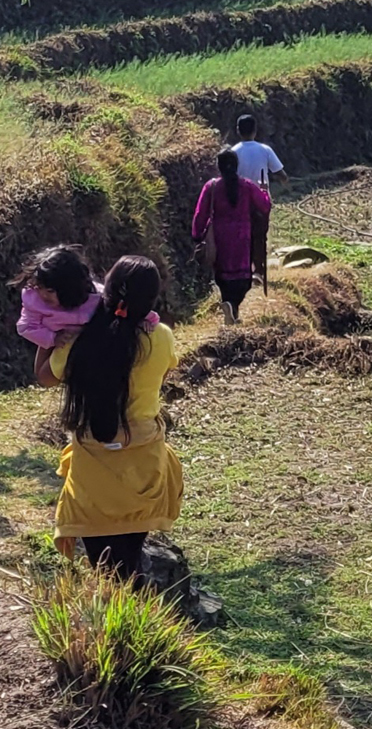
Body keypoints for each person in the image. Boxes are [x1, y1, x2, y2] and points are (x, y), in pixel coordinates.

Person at [35, 255, 182, 580]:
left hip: (93, 465)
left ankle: (117, 616)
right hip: (143, 464)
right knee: (128, 558)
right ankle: (136, 616)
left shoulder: (79, 340)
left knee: (103, 566)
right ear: (151, 299)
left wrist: (49, 328)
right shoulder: (162, 337)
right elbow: (170, 363)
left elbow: (45, 376)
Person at [15, 245, 159, 348]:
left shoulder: (97, 298)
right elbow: (26, 327)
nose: (43, 294)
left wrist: (146, 320)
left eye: (51, 291)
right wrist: (52, 338)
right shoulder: (33, 299)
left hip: (91, 345)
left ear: (70, 289)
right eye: (39, 287)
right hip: (60, 345)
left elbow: (124, 308)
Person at [192, 147, 272, 326]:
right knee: (244, 278)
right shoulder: (247, 186)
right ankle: (233, 307)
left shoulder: (211, 186)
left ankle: (230, 307)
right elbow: (265, 206)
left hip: (220, 237)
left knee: (223, 276)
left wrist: (197, 235)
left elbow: (200, 213)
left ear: (218, 167)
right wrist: (265, 191)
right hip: (242, 237)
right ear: (236, 166)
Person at [232, 113, 287, 189]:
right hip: (261, 197)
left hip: (241, 198)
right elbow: (282, 175)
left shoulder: (233, 152)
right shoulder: (265, 149)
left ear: (238, 130)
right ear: (255, 130)